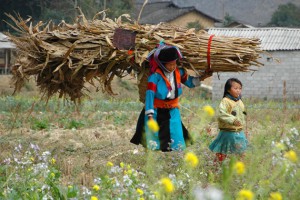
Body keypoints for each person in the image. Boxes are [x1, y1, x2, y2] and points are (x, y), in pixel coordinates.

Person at [130, 43, 212, 151]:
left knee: (176, 133)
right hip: (156, 110)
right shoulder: (154, 77)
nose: (172, 67)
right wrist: (149, 115)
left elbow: (190, 82)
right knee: (154, 137)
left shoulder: (179, 72)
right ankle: (153, 158)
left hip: (173, 110)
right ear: (162, 64)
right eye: (169, 65)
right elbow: (150, 94)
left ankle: (175, 157)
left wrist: (203, 77)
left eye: (174, 64)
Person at [209, 78, 248, 163]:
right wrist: (233, 120)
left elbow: (243, 114)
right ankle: (215, 170)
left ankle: (240, 171)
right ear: (228, 89)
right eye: (235, 88)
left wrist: (244, 125)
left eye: (240, 88)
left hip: (239, 131)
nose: (238, 91)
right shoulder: (225, 101)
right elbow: (221, 114)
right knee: (222, 154)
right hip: (227, 132)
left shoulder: (240, 101)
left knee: (242, 153)